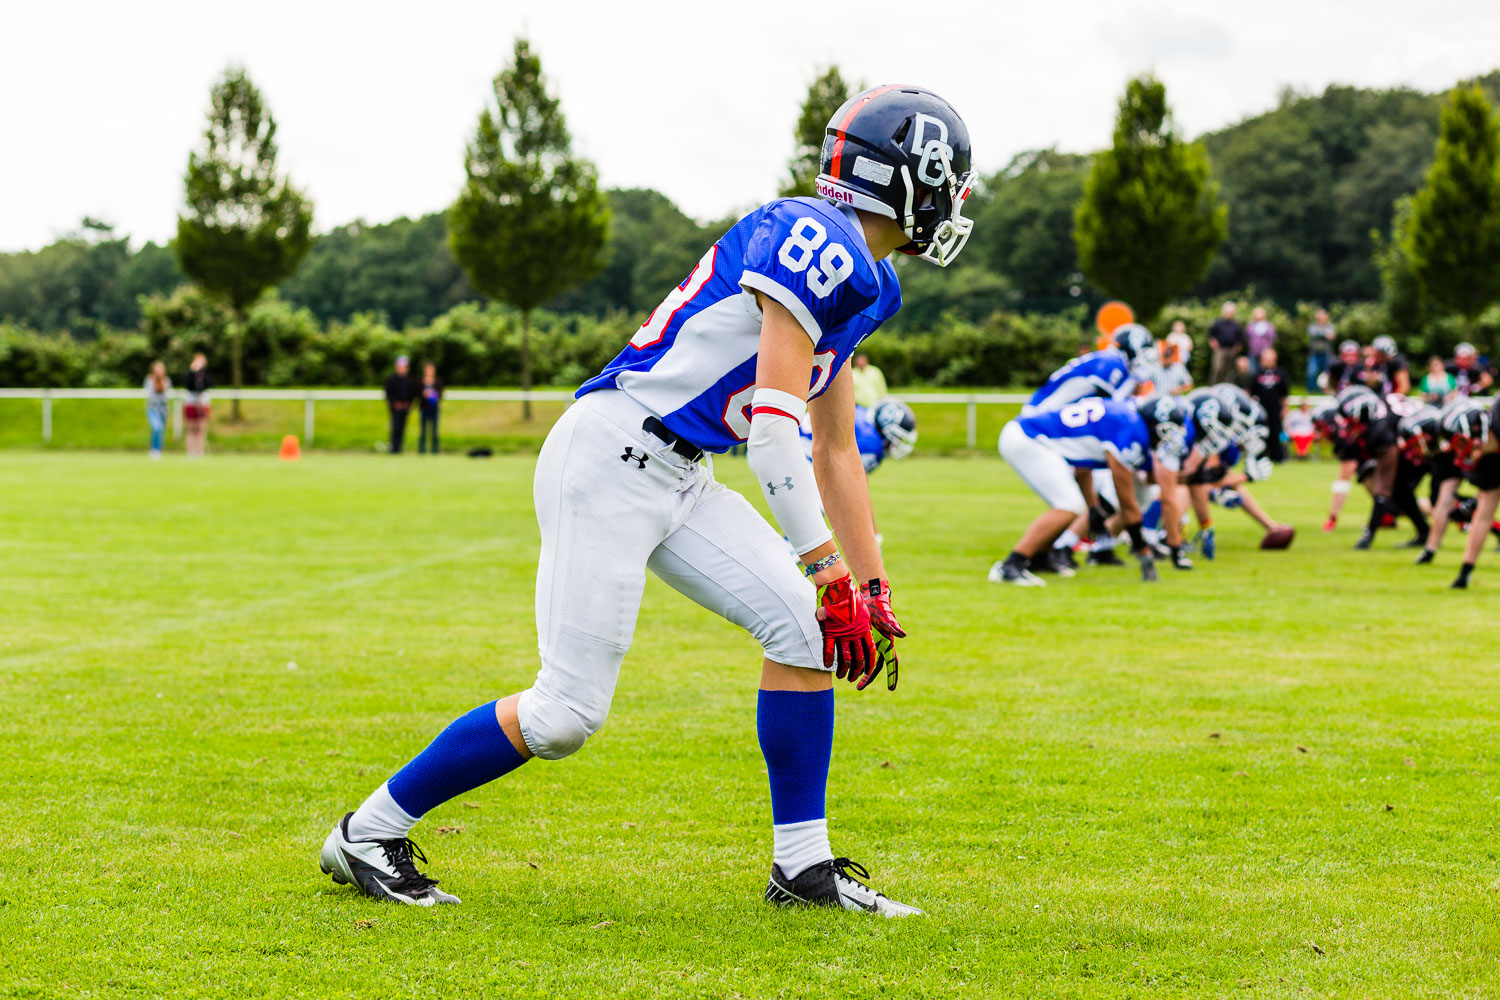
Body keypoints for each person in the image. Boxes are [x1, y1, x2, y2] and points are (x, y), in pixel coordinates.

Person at [319, 85, 975, 914]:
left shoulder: (871, 282)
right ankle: (368, 831)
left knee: (808, 635)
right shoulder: (816, 238)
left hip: (680, 470)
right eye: (950, 179)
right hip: (611, 455)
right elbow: (775, 436)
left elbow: (837, 447)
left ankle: (802, 869)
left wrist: (868, 586)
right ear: (910, 178)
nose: (955, 200)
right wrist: (826, 571)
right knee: (564, 715)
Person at [992, 397, 1164, 585]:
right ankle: (1010, 566)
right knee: (1069, 505)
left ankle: (1039, 559)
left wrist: (1092, 507)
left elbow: (1083, 466)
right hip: (1029, 438)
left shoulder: (1123, 416)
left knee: (1074, 505)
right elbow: (1126, 500)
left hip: (1027, 436)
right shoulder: (1130, 430)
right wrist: (1143, 551)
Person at [1444, 400, 1500, 589]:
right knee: (1484, 509)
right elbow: (1484, 516)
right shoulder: (1488, 454)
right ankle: (1465, 572)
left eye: (1472, 446)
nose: (1472, 454)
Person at [1249, 348, 1290, 462]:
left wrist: (1285, 408)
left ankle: (1276, 457)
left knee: (1275, 432)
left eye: (1270, 359)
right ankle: (1259, 456)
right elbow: (1250, 392)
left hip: (1275, 409)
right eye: (1265, 359)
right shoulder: (1256, 374)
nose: (1267, 361)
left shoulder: (1280, 373)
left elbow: (1284, 394)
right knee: (1260, 432)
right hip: (1260, 410)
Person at [384, 356, 418, 454]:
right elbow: (388, 393)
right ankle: (393, 448)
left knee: (402, 428)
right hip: (395, 408)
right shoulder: (391, 379)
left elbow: (413, 393)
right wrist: (395, 404)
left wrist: (409, 404)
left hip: (405, 407)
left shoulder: (410, 380)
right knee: (395, 428)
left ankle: (399, 448)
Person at [1207, 301, 1244, 385]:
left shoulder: (1236, 324)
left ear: (1233, 313)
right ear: (1223, 312)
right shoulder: (1218, 323)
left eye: (1230, 312)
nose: (1228, 314)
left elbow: (1240, 337)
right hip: (1220, 349)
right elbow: (1211, 335)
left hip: (1232, 350)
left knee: (1229, 370)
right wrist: (1213, 343)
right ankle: (1213, 386)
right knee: (1217, 368)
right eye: (1227, 312)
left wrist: (1238, 346)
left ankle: (1226, 386)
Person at [182, 353, 211, 458]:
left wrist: (202, 375)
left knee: (201, 428)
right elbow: (187, 384)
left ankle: (200, 451)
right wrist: (192, 372)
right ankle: (191, 452)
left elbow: (209, 384)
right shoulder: (190, 374)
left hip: (202, 403)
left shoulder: (205, 375)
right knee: (191, 428)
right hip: (191, 403)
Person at [144, 361, 171, 459]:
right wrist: (156, 381)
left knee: (161, 430)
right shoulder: (149, 380)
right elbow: (151, 393)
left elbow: (165, 393)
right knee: (157, 427)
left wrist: (161, 382)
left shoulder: (167, 380)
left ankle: (158, 449)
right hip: (153, 408)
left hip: (163, 409)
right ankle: (154, 450)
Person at [1158, 320, 1193, 395]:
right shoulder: (1172, 336)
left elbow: (1190, 347)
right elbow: (1166, 346)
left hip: (1182, 359)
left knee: (1179, 373)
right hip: (1174, 359)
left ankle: (1177, 384)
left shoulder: (1185, 337)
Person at [1306, 309, 1335, 393]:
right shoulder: (1312, 326)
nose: (1321, 318)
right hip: (1314, 354)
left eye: (1323, 316)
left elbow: (1331, 336)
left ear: (1326, 317)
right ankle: (1311, 390)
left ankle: (1325, 389)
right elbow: (1313, 334)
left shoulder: (1330, 326)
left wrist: (1320, 334)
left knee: (1327, 373)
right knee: (1311, 373)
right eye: (1320, 316)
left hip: (1326, 354)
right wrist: (1324, 334)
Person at [418, 363, 443, 454]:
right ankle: (422, 450)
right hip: (424, 408)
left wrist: (433, 394)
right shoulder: (421, 382)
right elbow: (417, 394)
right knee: (423, 430)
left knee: (435, 430)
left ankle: (435, 450)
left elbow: (441, 394)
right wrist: (423, 394)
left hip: (434, 408)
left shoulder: (437, 381)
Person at [1245, 307, 1277, 374]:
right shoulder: (1250, 326)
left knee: (1264, 372)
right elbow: (1247, 338)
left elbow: (1273, 338)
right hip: (1253, 353)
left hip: (1265, 355)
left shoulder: (1269, 326)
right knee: (1252, 371)